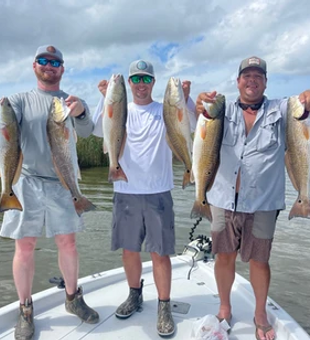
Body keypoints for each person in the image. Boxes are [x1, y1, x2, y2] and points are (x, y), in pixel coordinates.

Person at [195, 56, 310, 340]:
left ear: (266, 82)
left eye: (258, 75)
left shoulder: (283, 110)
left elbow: (303, 117)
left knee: (260, 260)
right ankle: (225, 307)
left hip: (263, 203)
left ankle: (260, 313)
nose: (252, 80)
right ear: (238, 81)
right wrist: (196, 102)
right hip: (222, 199)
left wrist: (307, 99)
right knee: (224, 256)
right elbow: (192, 125)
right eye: (247, 75)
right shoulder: (221, 111)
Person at [0, 45, 99, 340]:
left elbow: (87, 130)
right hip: (26, 181)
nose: (49, 65)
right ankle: (25, 309)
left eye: (55, 62)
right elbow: (7, 131)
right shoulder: (18, 101)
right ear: (34, 66)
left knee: (68, 243)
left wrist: (80, 112)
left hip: (62, 182)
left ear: (62, 69)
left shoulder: (71, 101)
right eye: (43, 61)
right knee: (25, 246)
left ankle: (73, 298)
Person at [92, 59, 196, 337]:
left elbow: (193, 123)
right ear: (128, 83)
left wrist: (186, 98)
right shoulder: (115, 108)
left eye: (146, 79)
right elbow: (94, 129)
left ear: (153, 82)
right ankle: (135, 294)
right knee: (129, 251)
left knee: (160, 253)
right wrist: (104, 100)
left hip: (158, 192)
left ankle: (163, 306)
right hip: (124, 192)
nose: (140, 84)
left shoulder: (166, 111)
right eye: (136, 79)